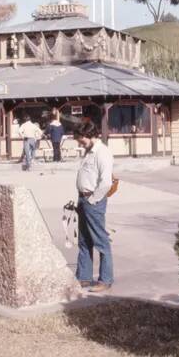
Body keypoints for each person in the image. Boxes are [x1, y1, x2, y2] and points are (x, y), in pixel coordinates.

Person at [74, 120, 115, 292]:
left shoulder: (102, 153)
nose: (79, 142)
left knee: (100, 241)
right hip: (83, 200)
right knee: (84, 241)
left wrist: (92, 200)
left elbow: (106, 182)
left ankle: (105, 280)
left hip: (93, 201)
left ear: (90, 136)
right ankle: (84, 277)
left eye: (81, 139)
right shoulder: (89, 151)